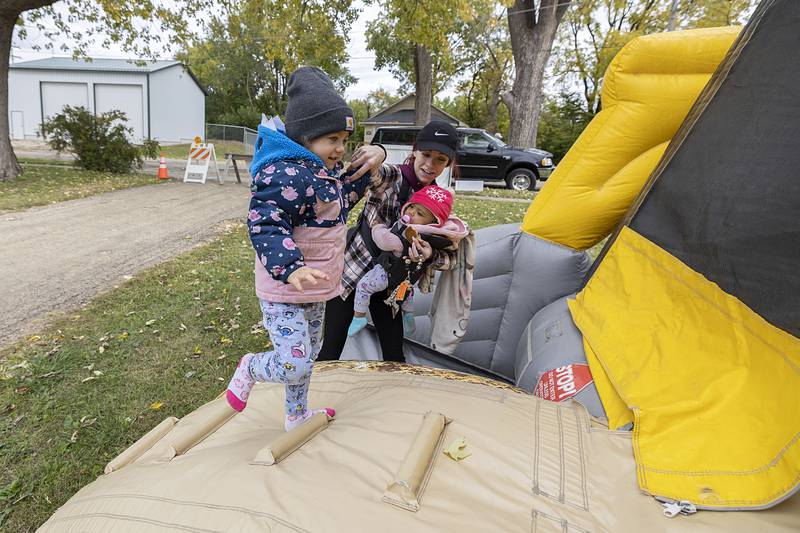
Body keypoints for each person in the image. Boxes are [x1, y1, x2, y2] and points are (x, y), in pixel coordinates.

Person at [224, 66, 387, 431]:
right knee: (293, 361)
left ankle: (296, 414)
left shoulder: (321, 173)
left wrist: (376, 159)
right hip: (285, 287)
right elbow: (264, 223)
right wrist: (292, 267)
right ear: (305, 135)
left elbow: (346, 196)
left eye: (344, 139)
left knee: (308, 355)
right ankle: (250, 366)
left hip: (315, 287)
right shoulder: (282, 173)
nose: (340, 148)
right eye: (332, 139)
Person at [318, 120, 461, 362]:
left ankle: (393, 398)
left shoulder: (438, 203)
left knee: (395, 356)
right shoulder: (393, 176)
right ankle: (311, 398)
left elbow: (450, 257)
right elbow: (374, 170)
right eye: (426, 154)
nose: (430, 164)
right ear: (414, 150)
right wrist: (379, 151)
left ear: (449, 163)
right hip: (352, 275)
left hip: (390, 287)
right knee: (330, 351)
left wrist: (429, 256)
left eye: (440, 159)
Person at [347, 184, 468, 337]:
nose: (411, 212)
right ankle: (408, 316)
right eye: (412, 207)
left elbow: (383, 241)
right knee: (405, 292)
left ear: (432, 223)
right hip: (406, 279)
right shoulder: (430, 237)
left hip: (387, 274)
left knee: (364, 286)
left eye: (419, 213)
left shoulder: (407, 235)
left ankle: (359, 317)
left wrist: (378, 228)